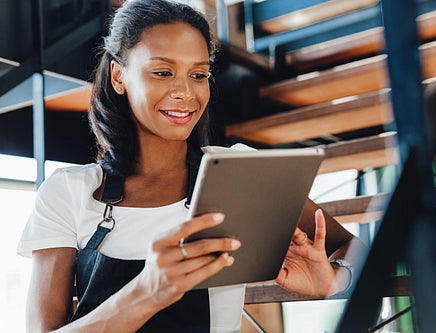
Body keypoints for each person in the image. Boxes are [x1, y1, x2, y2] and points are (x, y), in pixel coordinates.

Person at [17, 0, 364, 332]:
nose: (185, 92)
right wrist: (147, 292)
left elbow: (354, 249)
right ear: (119, 76)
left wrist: (336, 279)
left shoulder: (239, 172)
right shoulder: (68, 192)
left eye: (199, 74)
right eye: (163, 72)